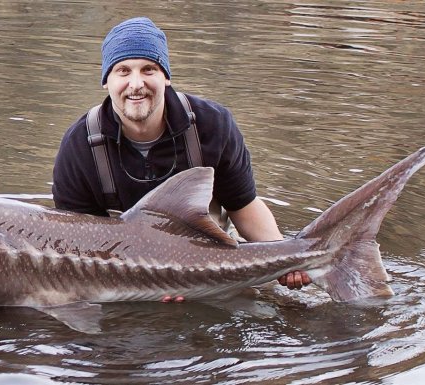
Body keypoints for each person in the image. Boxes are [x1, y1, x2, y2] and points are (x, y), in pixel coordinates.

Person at [51, 17, 311, 297]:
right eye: (123, 71)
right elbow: (74, 246)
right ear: (106, 81)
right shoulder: (79, 145)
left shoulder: (213, 124)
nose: (136, 84)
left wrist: (288, 255)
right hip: (122, 271)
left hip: (206, 257)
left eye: (148, 69)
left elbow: (243, 205)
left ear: (166, 76)